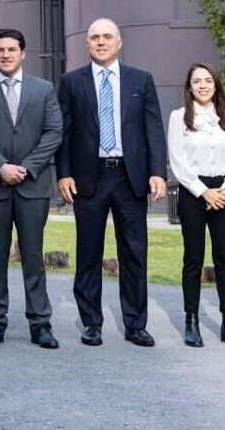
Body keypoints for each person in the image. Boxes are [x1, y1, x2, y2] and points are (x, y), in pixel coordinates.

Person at [56, 18, 167, 347]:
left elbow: (153, 130)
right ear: (87, 44)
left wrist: (157, 171)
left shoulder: (140, 80)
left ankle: (135, 324)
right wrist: (63, 173)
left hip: (129, 177)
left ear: (119, 43)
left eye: (107, 37)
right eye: (94, 38)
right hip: (88, 178)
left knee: (134, 253)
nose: (100, 42)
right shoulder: (71, 82)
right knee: (88, 253)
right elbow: (64, 133)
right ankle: (92, 323)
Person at [0, 28, 62, 350]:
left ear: (23, 54)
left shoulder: (44, 89)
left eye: (12, 49)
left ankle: (40, 323)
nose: (6, 54)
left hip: (32, 187)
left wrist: (27, 167)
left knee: (33, 256)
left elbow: (54, 132)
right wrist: (1, 167)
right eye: (0, 49)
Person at [166, 63, 225, 348]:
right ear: (189, 87)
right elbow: (178, 162)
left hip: (224, 193)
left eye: (208, 80)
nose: (202, 85)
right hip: (193, 193)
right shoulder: (179, 118)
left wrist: (224, 192)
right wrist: (204, 192)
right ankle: (192, 321)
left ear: (216, 85)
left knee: (224, 259)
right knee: (194, 258)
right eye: (196, 81)